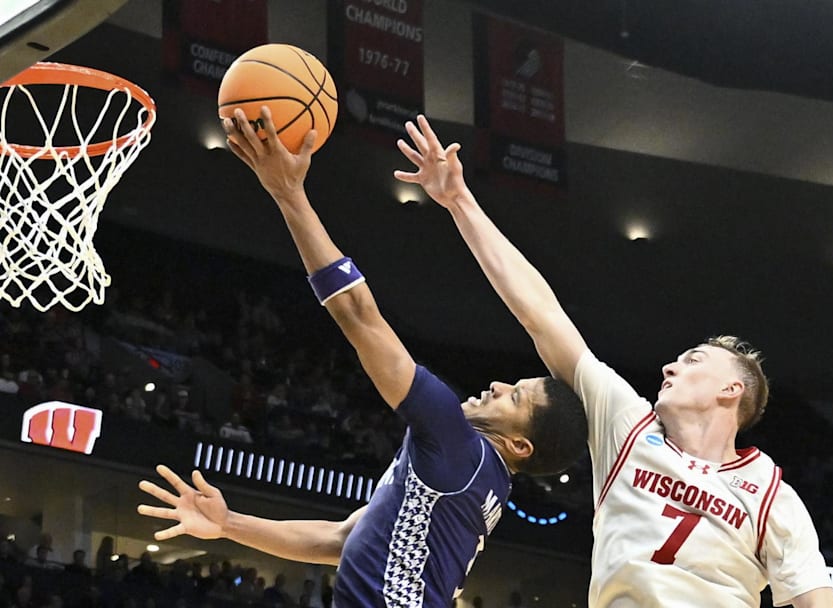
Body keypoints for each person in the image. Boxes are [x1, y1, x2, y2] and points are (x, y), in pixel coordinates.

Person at [137, 107, 587, 608]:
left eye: (516, 395)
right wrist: (228, 525)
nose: (500, 386)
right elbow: (341, 542)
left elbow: (357, 312)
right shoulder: (468, 478)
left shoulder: (455, 443)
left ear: (519, 445)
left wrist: (289, 194)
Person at [393, 115, 833, 608]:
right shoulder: (627, 424)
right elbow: (541, 315)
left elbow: (815, 602)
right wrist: (459, 201)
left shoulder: (772, 495)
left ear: (731, 390)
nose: (670, 368)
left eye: (693, 361)